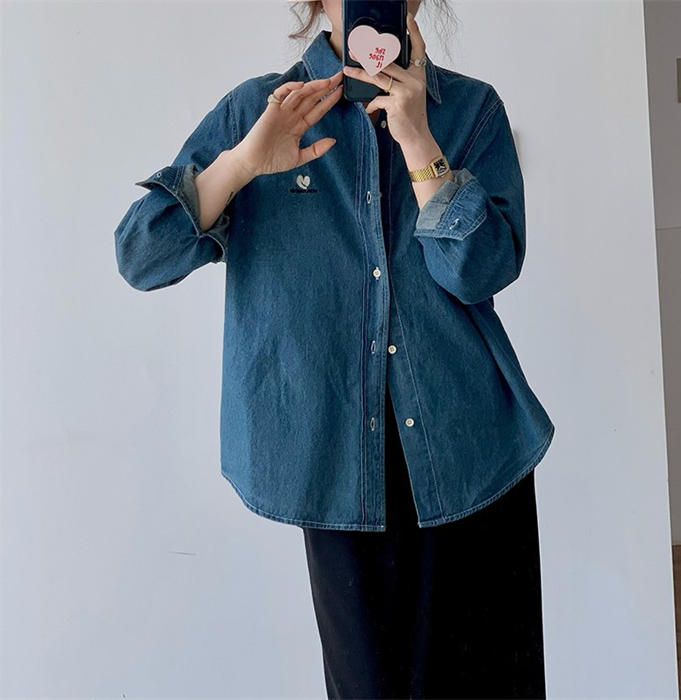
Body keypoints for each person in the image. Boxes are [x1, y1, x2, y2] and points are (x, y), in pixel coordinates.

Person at [114, 0, 555, 697]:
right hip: (340, 467)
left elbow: (483, 272)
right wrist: (240, 165)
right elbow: (141, 255)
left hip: (471, 447)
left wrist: (420, 144)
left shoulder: (470, 111)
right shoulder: (259, 111)